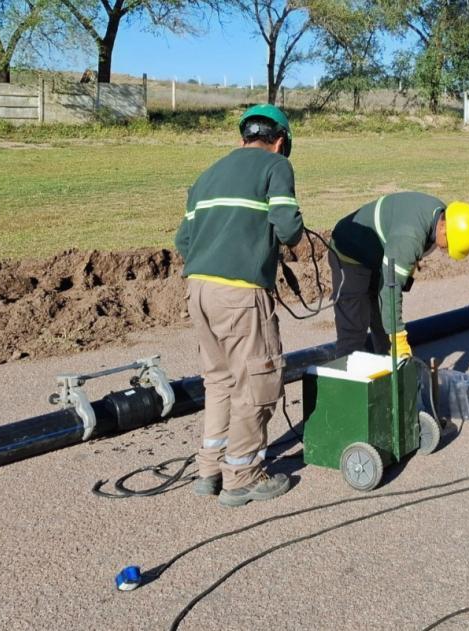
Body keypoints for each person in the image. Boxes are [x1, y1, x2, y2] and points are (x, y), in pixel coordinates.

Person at [174, 104, 302, 507]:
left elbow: (183, 242)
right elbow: (289, 227)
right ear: (280, 141)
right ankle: (243, 476)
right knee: (256, 381)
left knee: (219, 380)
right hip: (240, 295)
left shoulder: (207, 175)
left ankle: (209, 468)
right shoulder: (275, 166)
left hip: (198, 291)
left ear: (243, 137)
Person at [327, 192, 469, 358]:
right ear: (444, 227)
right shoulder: (410, 235)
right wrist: (399, 339)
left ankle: (390, 374)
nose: (446, 251)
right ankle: (347, 375)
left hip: (377, 256)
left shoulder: (439, 215)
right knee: (354, 331)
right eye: (449, 244)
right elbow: (390, 289)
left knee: (383, 322)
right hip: (350, 252)